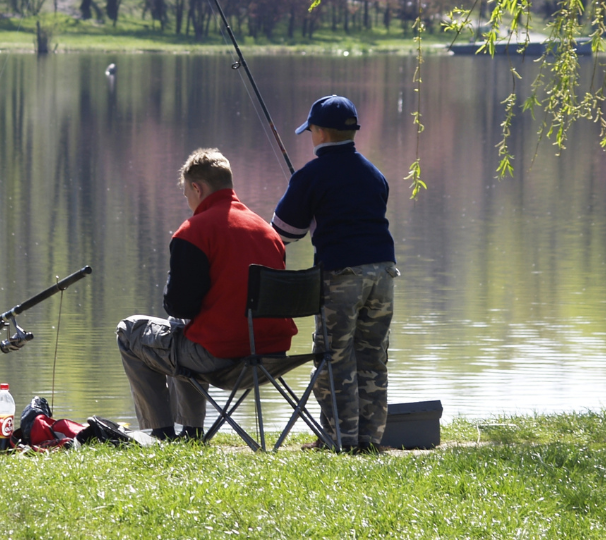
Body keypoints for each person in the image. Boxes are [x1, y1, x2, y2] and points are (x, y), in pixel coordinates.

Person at [117, 149, 297, 441]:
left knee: (130, 331)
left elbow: (179, 304)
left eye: (187, 192)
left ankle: (159, 432)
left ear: (197, 187)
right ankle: (190, 432)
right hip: (273, 355)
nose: (187, 200)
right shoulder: (268, 232)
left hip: (222, 358)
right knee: (179, 332)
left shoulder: (194, 231)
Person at [270, 95, 399, 453]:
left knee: (333, 358)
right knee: (372, 357)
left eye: (310, 130)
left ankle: (340, 440)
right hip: (385, 273)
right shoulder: (375, 174)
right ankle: (368, 440)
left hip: (342, 275)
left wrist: (303, 199)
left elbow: (282, 232)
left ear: (320, 133)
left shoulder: (311, 175)